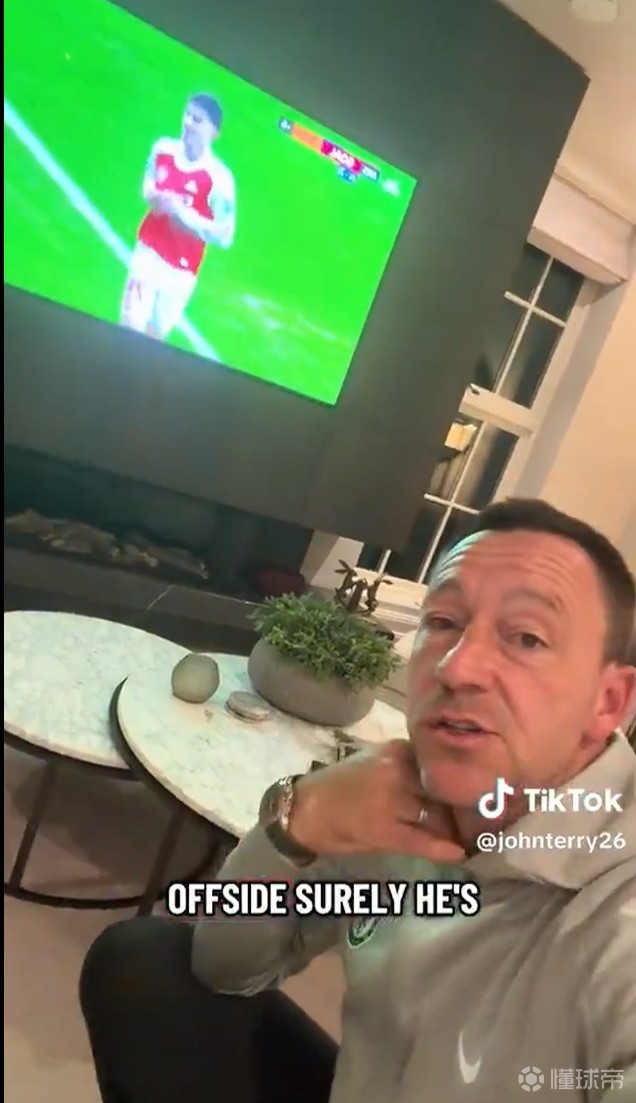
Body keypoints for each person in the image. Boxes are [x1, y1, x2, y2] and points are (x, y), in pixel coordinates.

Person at [79, 498, 636, 1103]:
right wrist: (299, 821)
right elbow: (222, 967)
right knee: (141, 962)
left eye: (526, 638)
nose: (457, 668)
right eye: (444, 622)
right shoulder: (396, 802)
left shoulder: (617, 917)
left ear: (609, 702)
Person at [120, 93, 236, 341]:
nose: (188, 123)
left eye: (198, 120)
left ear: (214, 132)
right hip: (149, 251)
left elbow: (225, 235)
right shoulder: (163, 149)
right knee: (130, 325)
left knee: (154, 338)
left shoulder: (219, 179)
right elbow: (149, 182)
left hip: (182, 270)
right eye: (187, 115)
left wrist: (184, 216)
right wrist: (154, 196)